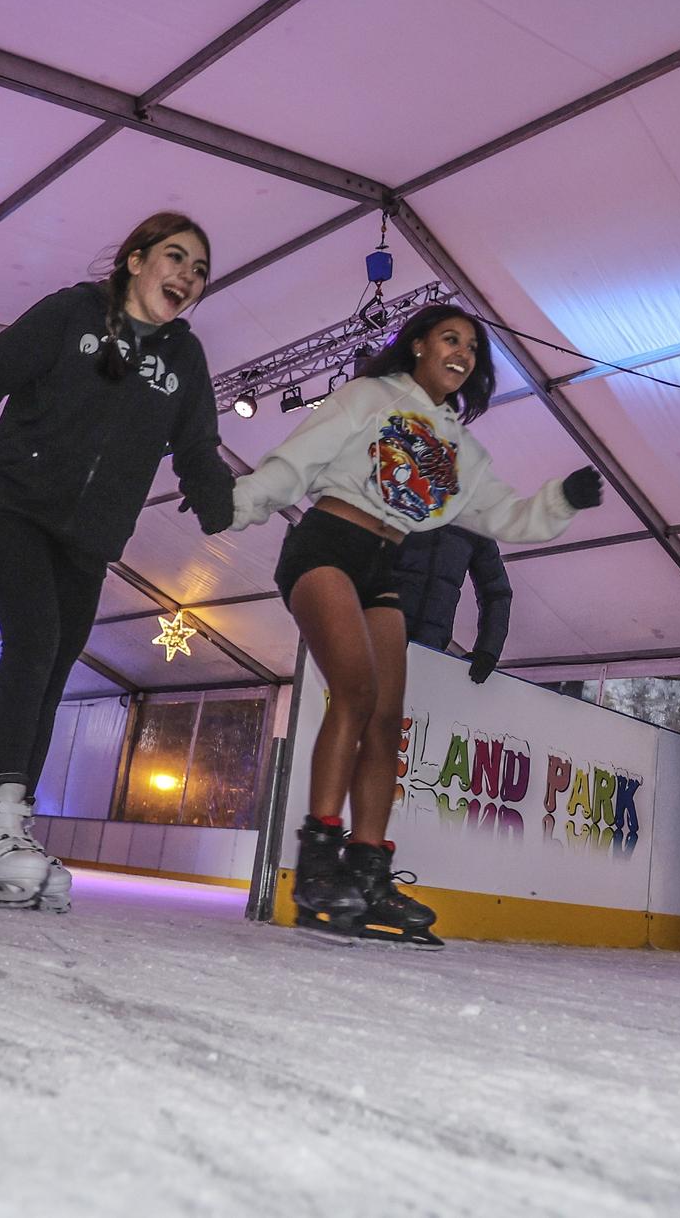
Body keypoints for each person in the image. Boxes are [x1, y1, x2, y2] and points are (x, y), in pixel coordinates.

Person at [0, 212, 233, 913]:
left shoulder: (185, 360)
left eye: (200, 270)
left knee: (52, 669)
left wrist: (212, 489)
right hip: (11, 507)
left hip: (89, 536)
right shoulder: (70, 314)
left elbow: (198, 444)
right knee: (35, 641)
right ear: (135, 258)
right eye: (175, 257)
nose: (187, 276)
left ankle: (6, 824)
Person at [228, 303, 602, 946]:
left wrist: (560, 499)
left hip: (384, 565)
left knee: (386, 719)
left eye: (474, 348)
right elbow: (297, 460)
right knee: (355, 690)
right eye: (450, 338)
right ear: (420, 345)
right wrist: (234, 502)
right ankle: (317, 864)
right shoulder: (370, 396)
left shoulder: (460, 448)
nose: (463, 353)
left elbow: (506, 516)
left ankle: (369, 869)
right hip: (325, 545)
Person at [388, 525, 512, 682]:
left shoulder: (473, 523)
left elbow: (496, 592)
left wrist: (487, 651)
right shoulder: (397, 503)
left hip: (428, 651)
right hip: (377, 636)